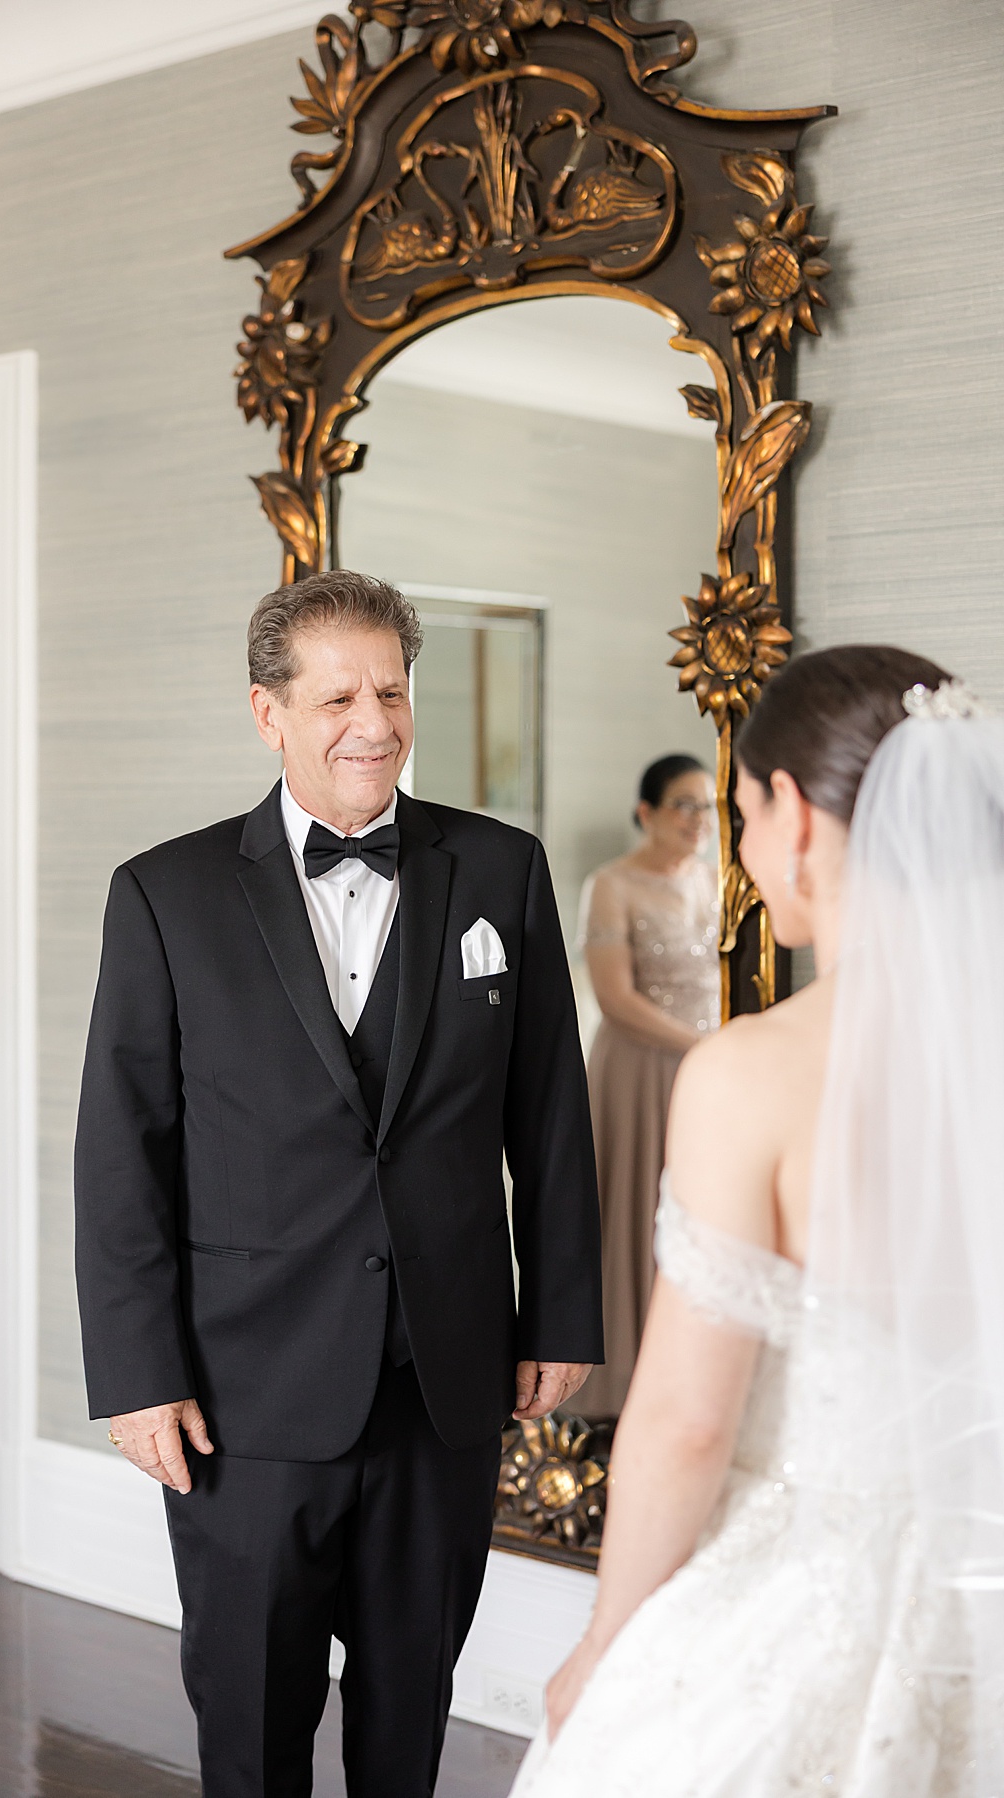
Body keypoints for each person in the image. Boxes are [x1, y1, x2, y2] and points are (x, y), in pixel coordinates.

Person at [75, 570, 601, 1798]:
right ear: (267, 712)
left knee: (411, 1705)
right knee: (251, 1720)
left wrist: (561, 1310)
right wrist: (137, 1371)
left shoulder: (501, 871)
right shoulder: (165, 893)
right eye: (338, 697)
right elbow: (124, 1150)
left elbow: (550, 1113)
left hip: (446, 1378)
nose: (374, 721)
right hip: (243, 1393)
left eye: (393, 690)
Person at [515, 646, 996, 1794]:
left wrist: (603, 1643)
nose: (737, 851)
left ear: (790, 813)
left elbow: (685, 1418)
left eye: (738, 812)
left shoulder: (756, 1071)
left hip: (817, 1596)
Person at [576, 752, 719, 1417]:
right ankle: (622, 1380)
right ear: (648, 813)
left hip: (706, 1069)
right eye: (685, 805)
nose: (699, 820)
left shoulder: (717, 881)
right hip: (637, 1069)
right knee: (632, 1212)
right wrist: (701, 1047)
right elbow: (615, 998)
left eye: (707, 806)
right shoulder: (612, 884)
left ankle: (689, 1379)